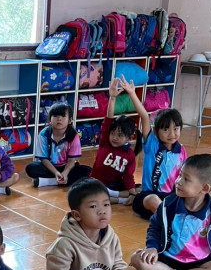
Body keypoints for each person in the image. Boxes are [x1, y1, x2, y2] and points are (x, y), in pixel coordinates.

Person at [91, 76, 142, 205]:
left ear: (129, 137)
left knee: (140, 189)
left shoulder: (129, 155)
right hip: (97, 183)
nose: (114, 138)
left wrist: (132, 192)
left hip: (115, 186)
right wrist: (112, 98)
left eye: (119, 135)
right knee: (89, 190)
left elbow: (128, 177)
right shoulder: (105, 142)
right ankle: (119, 199)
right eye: (113, 134)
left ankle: (118, 196)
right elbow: (108, 120)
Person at [132, 103, 187, 220]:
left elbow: (184, 176)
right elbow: (144, 116)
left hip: (171, 197)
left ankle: (167, 216)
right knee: (153, 200)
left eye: (176, 129)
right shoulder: (152, 145)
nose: (172, 134)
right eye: (166, 129)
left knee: (205, 194)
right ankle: (169, 221)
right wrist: (131, 93)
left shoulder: (181, 151)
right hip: (149, 196)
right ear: (156, 131)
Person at [25, 102, 91, 187]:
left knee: (88, 171)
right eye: (55, 116)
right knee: (30, 168)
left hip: (65, 166)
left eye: (63, 116)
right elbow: (44, 159)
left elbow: (71, 160)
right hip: (48, 166)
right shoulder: (43, 134)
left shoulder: (74, 136)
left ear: (70, 120)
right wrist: (56, 172)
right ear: (50, 119)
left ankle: (50, 181)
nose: (59, 119)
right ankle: (60, 179)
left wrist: (65, 173)